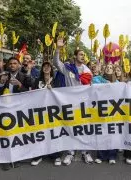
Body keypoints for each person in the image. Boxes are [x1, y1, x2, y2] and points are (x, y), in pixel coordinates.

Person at [54, 38, 93, 166]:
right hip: (70, 104)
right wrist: (58, 49)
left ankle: (85, 152)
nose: (83, 56)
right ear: (75, 56)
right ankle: (70, 152)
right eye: (81, 54)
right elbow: (56, 62)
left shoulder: (87, 71)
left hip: (84, 104)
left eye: (84, 55)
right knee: (70, 127)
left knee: (84, 128)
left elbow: (92, 87)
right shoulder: (67, 68)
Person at [2, 56, 32, 171]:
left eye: (15, 63)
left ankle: (17, 157)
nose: (12, 65)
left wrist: (19, 85)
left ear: (19, 65)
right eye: (10, 63)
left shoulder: (24, 77)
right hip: (5, 108)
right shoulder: (3, 76)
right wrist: (1, 83)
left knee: (17, 134)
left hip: (19, 109)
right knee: (7, 133)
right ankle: (7, 158)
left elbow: (30, 93)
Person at [30, 61, 56, 166]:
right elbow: (32, 93)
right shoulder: (37, 80)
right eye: (44, 66)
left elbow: (61, 93)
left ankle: (55, 155)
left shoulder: (56, 80)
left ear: (51, 68)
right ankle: (39, 155)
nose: (46, 68)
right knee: (40, 133)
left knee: (53, 132)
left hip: (52, 111)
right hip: (40, 110)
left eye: (48, 66)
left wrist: (52, 89)